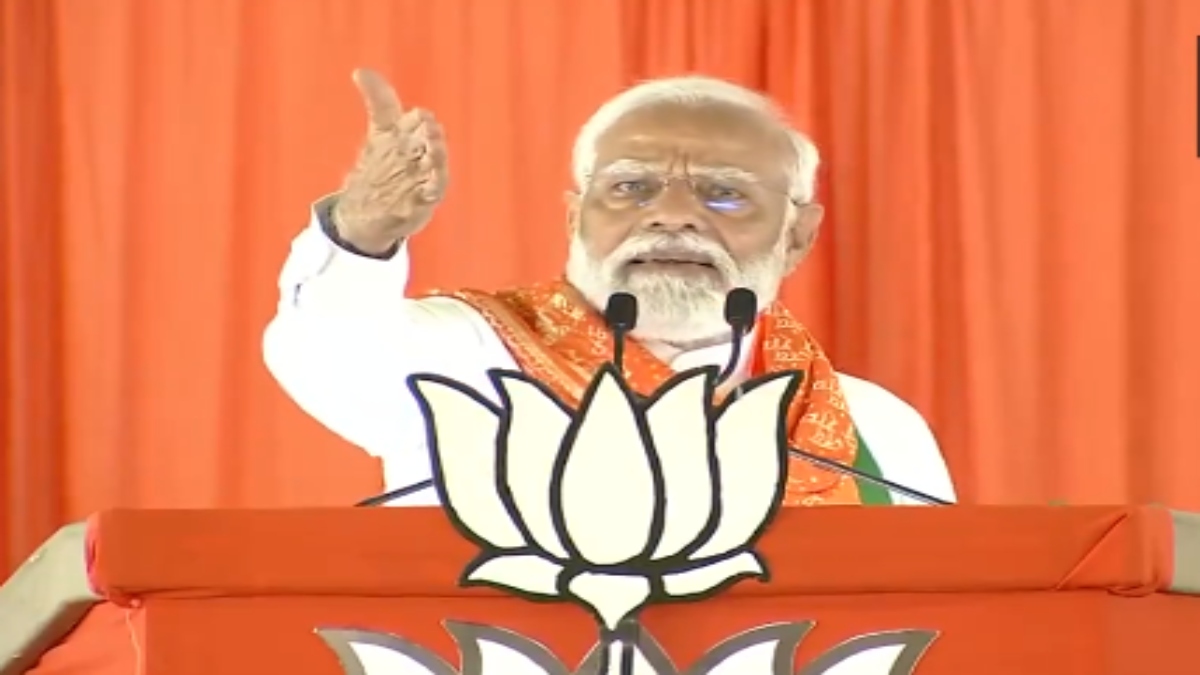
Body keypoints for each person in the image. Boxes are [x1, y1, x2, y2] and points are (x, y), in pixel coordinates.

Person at [263, 69, 957, 507]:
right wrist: (362, 233)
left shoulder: (871, 427)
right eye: (630, 186)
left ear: (798, 235)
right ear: (575, 217)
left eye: (724, 194)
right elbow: (332, 355)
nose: (672, 214)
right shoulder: (471, 358)